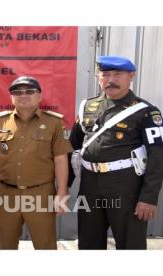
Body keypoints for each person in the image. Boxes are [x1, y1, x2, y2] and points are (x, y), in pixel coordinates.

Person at [69, 56, 163, 249]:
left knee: (130, 246)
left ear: (131, 76)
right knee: (88, 244)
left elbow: (158, 156)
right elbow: (72, 148)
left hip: (126, 187)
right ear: (98, 77)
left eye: (118, 75)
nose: (111, 80)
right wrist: (63, 189)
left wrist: (148, 198)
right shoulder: (87, 106)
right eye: (105, 74)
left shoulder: (145, 112)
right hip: (89, 186)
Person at [0, 76, 73, 249]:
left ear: (40, 96)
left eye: (29, 91)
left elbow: (60, 159)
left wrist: (62, 191)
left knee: (45, 245)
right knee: (6, 245)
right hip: (7, 193)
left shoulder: (54, 122)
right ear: (11, 97)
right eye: (17, 92)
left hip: (41, 194)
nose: (23, 95)